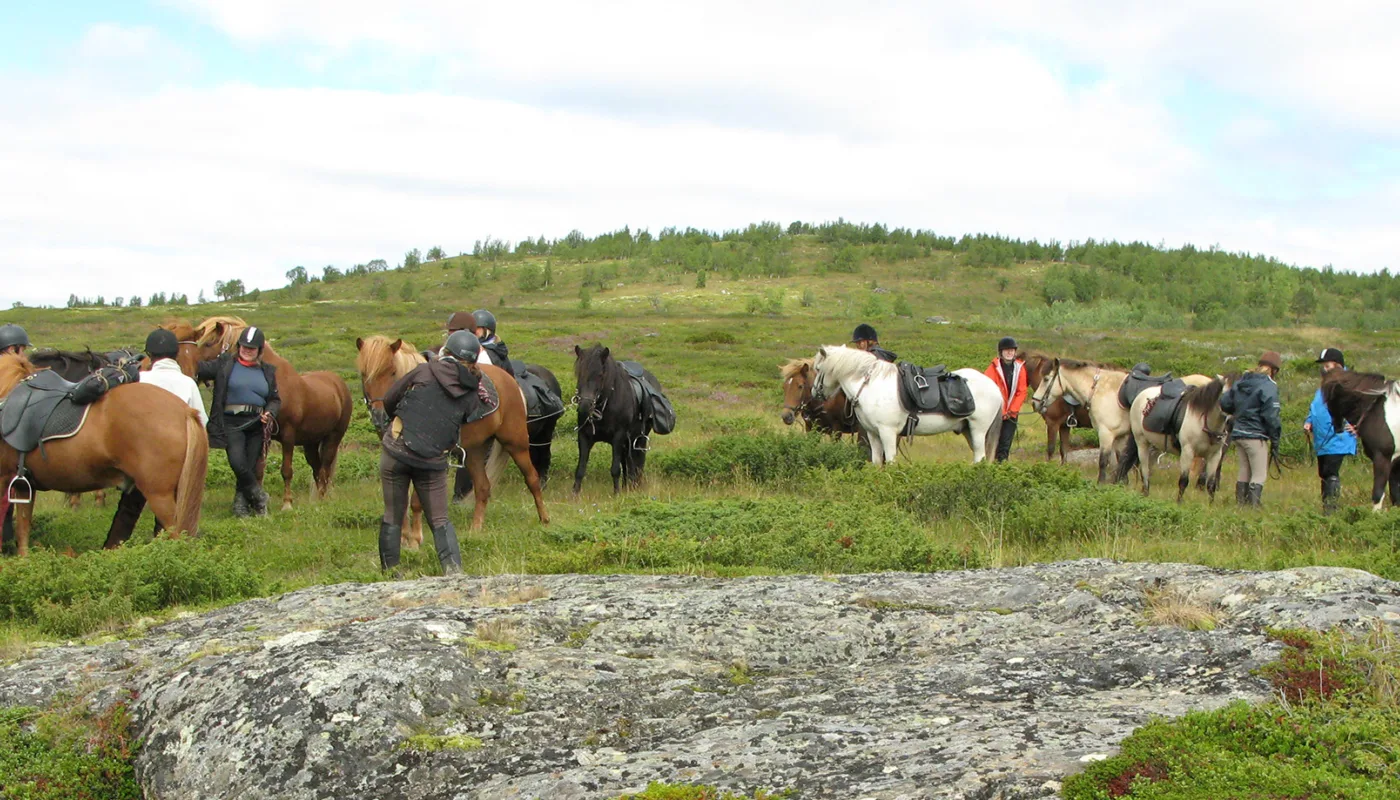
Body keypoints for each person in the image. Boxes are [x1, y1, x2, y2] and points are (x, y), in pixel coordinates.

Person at [377, 330, 486, 576]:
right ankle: (453, 573)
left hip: (396, 451)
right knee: (439, 520)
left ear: (447, 351)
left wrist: (404, 421)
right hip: (432, 460)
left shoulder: (424, 371)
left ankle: (389, 574)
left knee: (393, 514)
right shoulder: (472, 392)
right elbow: (467, 417)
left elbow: (390, 399)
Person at [196, 326, 280, 517]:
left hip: (256, 424)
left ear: (259, 350)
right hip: (232, 422)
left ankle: (240, 507)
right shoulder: (225, 364)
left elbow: (275, 399)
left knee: (249, 466)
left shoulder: (267, 371)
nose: (247, 350)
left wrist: (270, 412)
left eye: (252, 348)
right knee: (237, 462)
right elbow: (201, 368)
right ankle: (259, 496)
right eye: (244, 346)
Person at [1220, 350, 1282, 507]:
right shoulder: (1269, 386)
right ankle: (1253, 508)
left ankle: (1241, 506)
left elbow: (1225, 403)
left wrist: (1238, 412)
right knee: (1259, 474)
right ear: (1274, 370)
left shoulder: (1242, 381)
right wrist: (1275, 439)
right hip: (1256, 435)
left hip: (1238, 434)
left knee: (1244, 470)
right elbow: (1271, 416)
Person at [1303, 347, 1356, 514]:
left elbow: (1360, 406)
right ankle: (1326, 507)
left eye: (1327, 366)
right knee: (1324, 473)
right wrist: (1309, 421)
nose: (1324, 369)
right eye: (1323, 366)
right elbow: (1316, 406)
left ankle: (1331, 509)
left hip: (1338, 437)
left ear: (1338, 365)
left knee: (1330, 472)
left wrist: (1357, 425)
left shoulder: (1348, 383)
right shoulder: (1324, 384)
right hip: (1321, 439)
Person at [140, 329, 208, 426]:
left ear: (149, 354)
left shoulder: (140, 379)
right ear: (177, 354)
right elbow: (201, 422)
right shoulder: (188, 383)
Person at [985, 336, 1028, 462]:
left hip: (1011, 415)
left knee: (1005, 444)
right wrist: (1002, 411)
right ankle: (989, 464)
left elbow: (1022, 391)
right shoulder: (993, 368)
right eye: (1006, 350)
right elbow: (988, 390)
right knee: (992, 442)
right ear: (1001, 352)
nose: (1010, 352)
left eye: (1012, 350)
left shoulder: (1020, 368)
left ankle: (1002, 466)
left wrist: (1012, 410)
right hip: (995, 413)